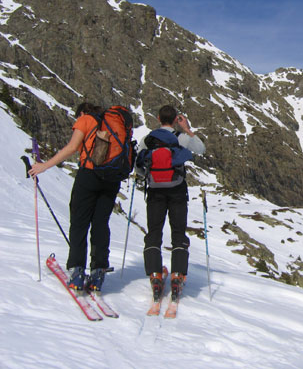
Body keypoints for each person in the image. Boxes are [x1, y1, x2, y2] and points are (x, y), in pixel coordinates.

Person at [28, 102, 121, 292]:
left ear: (82, 112)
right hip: (112, 179)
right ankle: (98, 271)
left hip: (89, 176)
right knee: (101, 224)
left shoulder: (85, 120)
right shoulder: (112, 124)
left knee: (79, 222)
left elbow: (72, 147)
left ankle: (78, 271)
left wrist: (44, 166)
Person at [136, 105, 205, 300]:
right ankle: (178, 274)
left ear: (158, 118)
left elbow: (139, 164)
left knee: (154, 231)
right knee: (178, 232)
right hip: (177, 190)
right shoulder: (179, 137)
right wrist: (187, 129)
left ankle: (155, 274)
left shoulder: (148, 139)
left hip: (155, 190)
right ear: (176, 119)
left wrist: (148, 176)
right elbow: (200, 148)